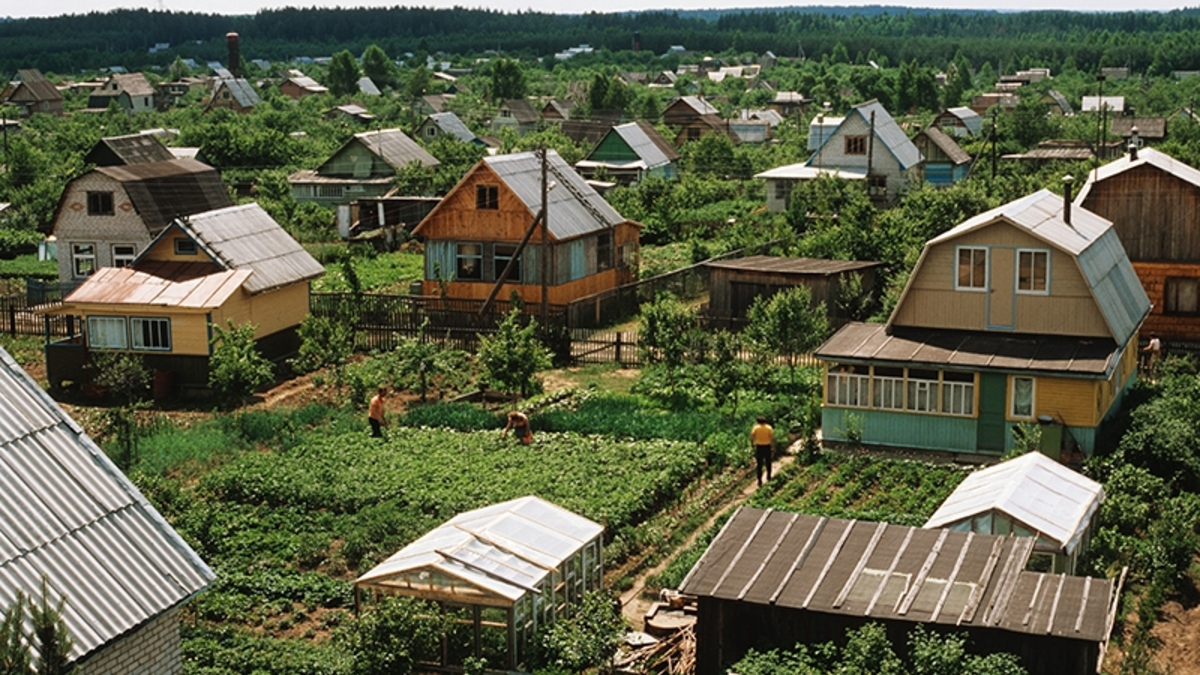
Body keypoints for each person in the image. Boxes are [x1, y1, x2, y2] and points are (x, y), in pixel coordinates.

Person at [750, 415, 776, 487]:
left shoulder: (756, 428)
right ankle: (768, 476)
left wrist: (752, 444)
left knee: (759, 465)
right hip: (767, 447)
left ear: (758, 422)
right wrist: (773, 447)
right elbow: (772, 438)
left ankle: (759, 480)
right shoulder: (769, 428)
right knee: (768, 462)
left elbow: (752, 437)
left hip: (759, 447)